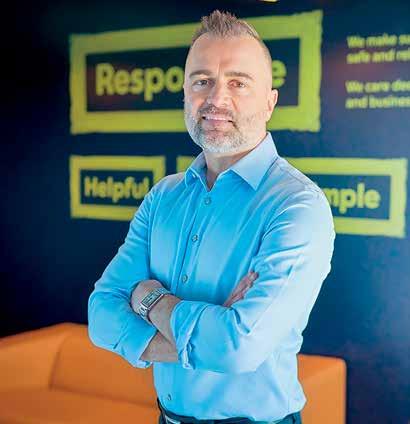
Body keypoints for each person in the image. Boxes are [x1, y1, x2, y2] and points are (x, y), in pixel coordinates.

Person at [88, 9, 335, 424]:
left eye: (238, 83)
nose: (217, 99)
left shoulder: (296, 205)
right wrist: (205, 332)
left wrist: (151, 300)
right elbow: (101, 315)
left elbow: (237, 347)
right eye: (202, 81)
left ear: (270, 102)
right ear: (186, 93)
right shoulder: (163, 198)